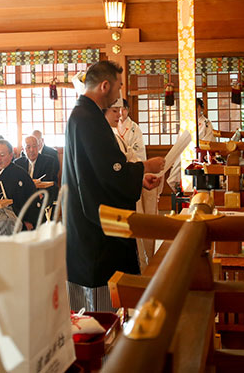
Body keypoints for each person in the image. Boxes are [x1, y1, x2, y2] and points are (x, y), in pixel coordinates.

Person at [63, 60, 164, 312]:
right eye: (119, 87)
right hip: (94, 223)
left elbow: (102, 170)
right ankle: (106, 344)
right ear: (105, 85)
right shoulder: (87, 118)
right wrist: (144, 167)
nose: (120, 95)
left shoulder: (85, 115)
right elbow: (111, 171)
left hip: (87, 214)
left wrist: (137, 177)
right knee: (98, 302)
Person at [115, 98, 159, 270]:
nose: (120, 113)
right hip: (124, 176)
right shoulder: (111, 128)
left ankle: (147, 259)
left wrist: (130, 156)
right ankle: (137, 258)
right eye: (117, 110)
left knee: (140, 219)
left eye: (123, 109)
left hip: (136, 174)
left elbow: (138, 151)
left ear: (127, 110)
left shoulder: (135, 128)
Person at [0, 140, 37, 227]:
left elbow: (32, 198)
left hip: (15, 218)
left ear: (11, 155)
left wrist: (29, 221)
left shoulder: (20, 174)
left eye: (2, 155)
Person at [14, 135, 59, 203]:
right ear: (23, 149)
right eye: (28, 147)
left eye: (34, 146)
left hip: (42, 194)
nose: (32, 150)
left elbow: (48, 181)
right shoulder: (18, 163)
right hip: (24, 196)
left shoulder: (48, 161)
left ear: (39, 147)